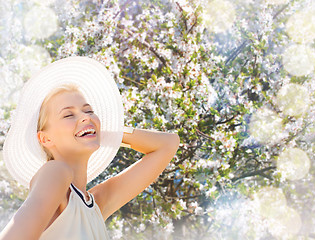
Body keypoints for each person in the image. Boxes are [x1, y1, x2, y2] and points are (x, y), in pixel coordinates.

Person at [0, 56, 180, 240]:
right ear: (45, 138)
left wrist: (104, 132)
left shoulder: (95, 205)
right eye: (68, 115)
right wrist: (89, 128)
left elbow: (168, 144)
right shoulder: (55, 172)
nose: (85, 117)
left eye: (88, 111)